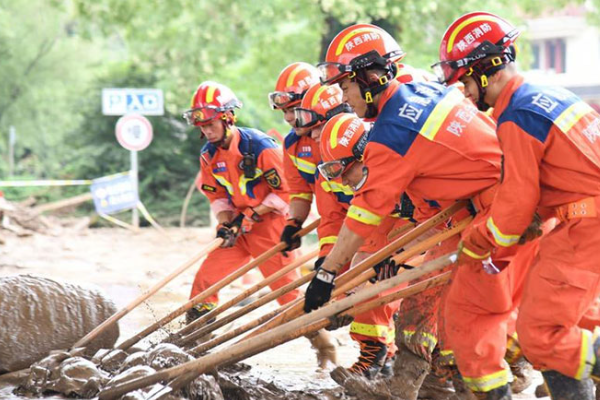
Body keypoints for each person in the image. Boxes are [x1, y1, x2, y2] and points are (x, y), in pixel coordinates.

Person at [305, 23, 540, 400]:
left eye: (345, 86)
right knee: (426, 304)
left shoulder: (394, 131)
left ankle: (502, 374)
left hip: (502, 213)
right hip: (478, 209)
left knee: (471, 318)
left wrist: (327, 275)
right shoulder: (419, 94)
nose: (343, 97)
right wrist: (398, 257)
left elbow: (365, 213)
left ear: (370, 76)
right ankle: (421, 385)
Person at [436, 11, 600, 399]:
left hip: (586, 227)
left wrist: (479, 242)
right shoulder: (545, 97)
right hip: (581, 222)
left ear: (485, 69)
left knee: (540, 336)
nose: (463, 90)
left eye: (464, 79)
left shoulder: (517, 115)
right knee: (565, 326)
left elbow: (515, 205)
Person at [182, 81, 301, 325]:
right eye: (202, 127)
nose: (207, 132)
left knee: (288, 292)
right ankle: (195, 339)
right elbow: (216, 195)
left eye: (211, 124)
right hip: (236, 229)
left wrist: (249, 215)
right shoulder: (208, 155)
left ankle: (322, 345)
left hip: (270, 228)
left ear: (227, 118)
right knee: (204, 282)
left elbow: (287, 192)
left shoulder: (261, 147)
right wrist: (227, 222)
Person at [269, 64, 339, 369]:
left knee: (373, 289)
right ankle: (341, 354)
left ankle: (382, 359)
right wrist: (293, 223)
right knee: (327, 289)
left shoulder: (346, 131)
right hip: (332, 227)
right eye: (283, 111)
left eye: (293, 109)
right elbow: (299, 192)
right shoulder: (293, 144)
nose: (287, 118)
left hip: (370, 221)